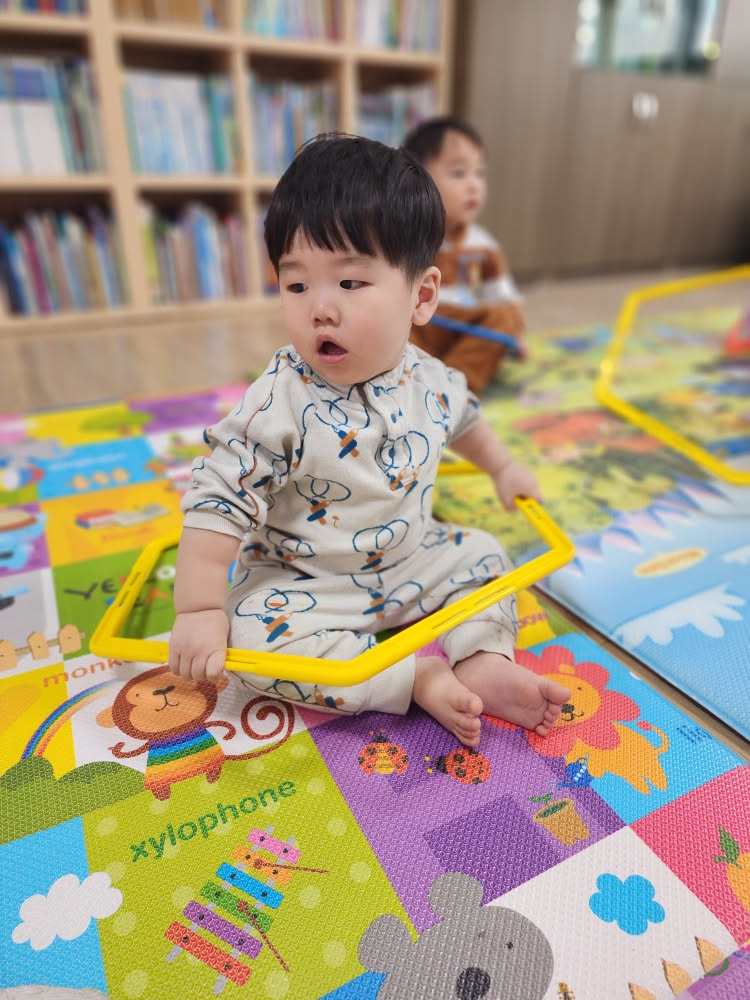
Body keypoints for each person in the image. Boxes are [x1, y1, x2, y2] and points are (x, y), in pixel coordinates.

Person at [168, 133, 569, 748]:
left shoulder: (430, 377)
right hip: (306, 582)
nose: (320, 310)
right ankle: (412, 678)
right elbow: (217, 500)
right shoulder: (278, 403)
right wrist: (198, 609)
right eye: (297, 286)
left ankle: (483, 658)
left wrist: (503, 468)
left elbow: (465, 420)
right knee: (248, 640)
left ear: (422, 296)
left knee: (487, 556)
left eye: (350, 283)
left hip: (413, 557)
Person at [402, 115, 526, 396]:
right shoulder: (404, 237)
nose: (474, 185)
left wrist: (515, 334)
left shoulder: (483, 244)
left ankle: (454, 388)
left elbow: (502, 295)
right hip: (423, 325)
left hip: (467, 330)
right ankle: (412, 381)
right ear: (417, 180)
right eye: (459, 173)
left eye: (479, 174)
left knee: (505, 317)